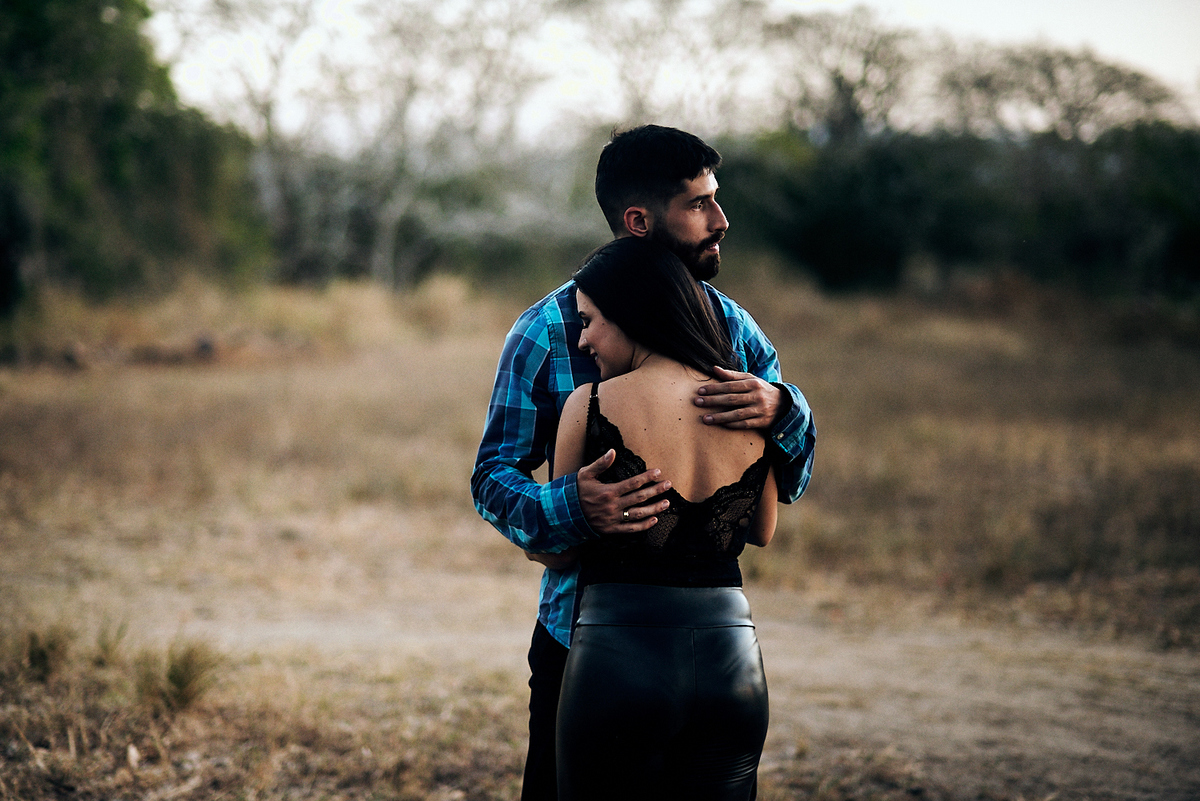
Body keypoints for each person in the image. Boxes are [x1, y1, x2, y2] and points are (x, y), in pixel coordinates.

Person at [470, 124, 816, 800]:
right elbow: (492, 478)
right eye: (698, 204)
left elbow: (785, 485)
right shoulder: (545, 330)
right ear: (639, 220)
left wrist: (786, 410)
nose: (721, 219)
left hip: (711, 639)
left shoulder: (737, 331)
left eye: (715, 199)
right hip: (580, 638)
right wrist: (570, 505)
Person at [552, 236, 777, 800]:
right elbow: (763, 531)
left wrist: (581, 512)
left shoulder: (590, 404)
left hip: (618, 657)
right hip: (733, 659)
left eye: (589, 321)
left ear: (628, 313)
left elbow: (557, 550)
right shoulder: (749, 403)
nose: (583, 339)